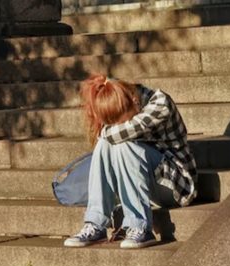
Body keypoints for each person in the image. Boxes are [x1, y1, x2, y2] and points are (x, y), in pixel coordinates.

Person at [64, 74, 197, 249]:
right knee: (107, 143)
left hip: (176, 185)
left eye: (122, 120)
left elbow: (111, 133)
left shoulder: (159, 103)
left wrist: (105, 130)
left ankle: (139, 227)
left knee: (121, 143)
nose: (120, 124)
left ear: (134, 100)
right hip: (146, 184)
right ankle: (96, 223)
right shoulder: (123, 97)